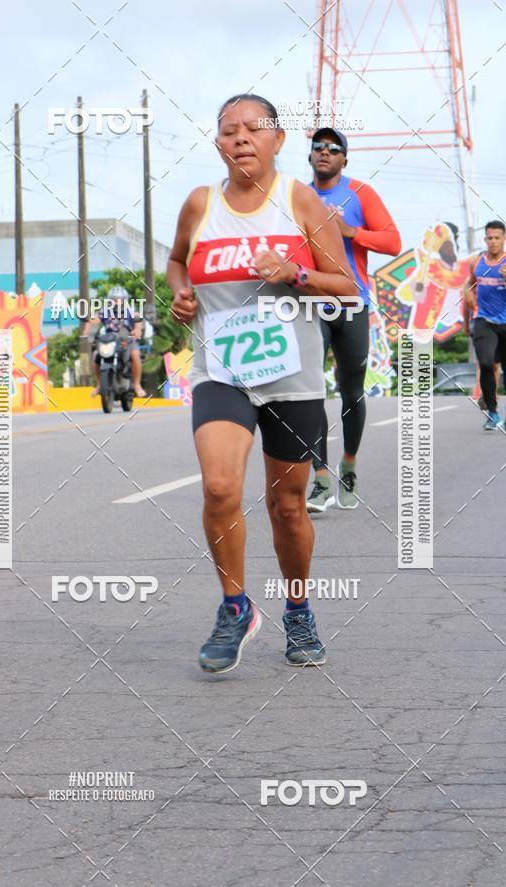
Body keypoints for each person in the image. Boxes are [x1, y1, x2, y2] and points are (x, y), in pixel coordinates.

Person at [168, 94, 357, 674]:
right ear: (219, 144)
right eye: (229, 130)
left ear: (278, 140)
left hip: (291, 377)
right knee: (220, 488)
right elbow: (178, 260)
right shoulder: (200, 203)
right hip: (221, 372)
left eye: (255, 128)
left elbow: (345, 286)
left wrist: (296, 273)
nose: (242, 137)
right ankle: (235, 606)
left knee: (288, 506)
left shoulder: (298, 200)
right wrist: (180, 290)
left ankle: (298, 609)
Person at [305, 127, 401, 512]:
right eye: (318, 147)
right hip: (310, 305)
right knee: (309, 392)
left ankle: (348, 464)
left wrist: (352, 232)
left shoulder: (361, 193)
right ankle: (321, 479)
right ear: (310, 156)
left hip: (352, 304)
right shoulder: (297, 196)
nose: (324, 152)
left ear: (344, 158)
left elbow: (392, 241)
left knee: (351, 394)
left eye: (333, 148)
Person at [464, 221, 506, 430]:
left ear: (504, 239)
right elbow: (469, 282)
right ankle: (492, 412)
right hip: (484, 320)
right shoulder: (477, 261)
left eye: (497, 238)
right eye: (490, 238)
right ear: (485, 240)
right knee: (487, 364)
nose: (493, 242)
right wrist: (467, 291)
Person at [85, 285, 146, 398]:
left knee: (135, 355)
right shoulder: (104, 311)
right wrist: (87, 328)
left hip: (127, 340)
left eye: (120, 299)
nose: (117, 302)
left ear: (125, 300)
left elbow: (138, 322)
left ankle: (137, 385)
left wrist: (137, 330)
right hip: (109, 341)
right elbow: (94, 320)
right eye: (114, 299)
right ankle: (100, 385)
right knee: (95, 356)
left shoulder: (132, 311)